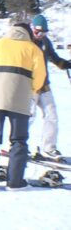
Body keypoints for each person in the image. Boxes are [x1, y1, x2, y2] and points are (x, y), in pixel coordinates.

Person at [0, 23, 45, 190]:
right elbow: (40, 76)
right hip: (20, 99)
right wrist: (31, 90)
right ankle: (15, 182)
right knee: (19, 140)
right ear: (28, 33)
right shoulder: (33, 49)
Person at [29, 14, 71, 161]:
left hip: (44, 85)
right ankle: (17, 145)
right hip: (29, 85)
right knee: (28, 116)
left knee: (52, 116)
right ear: (32, 29)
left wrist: (66, 64)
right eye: (38, 32)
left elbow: (54, 58)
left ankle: (49, 148)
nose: (40, 35)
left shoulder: (45, 42)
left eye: (44, 32)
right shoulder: (25, 42)